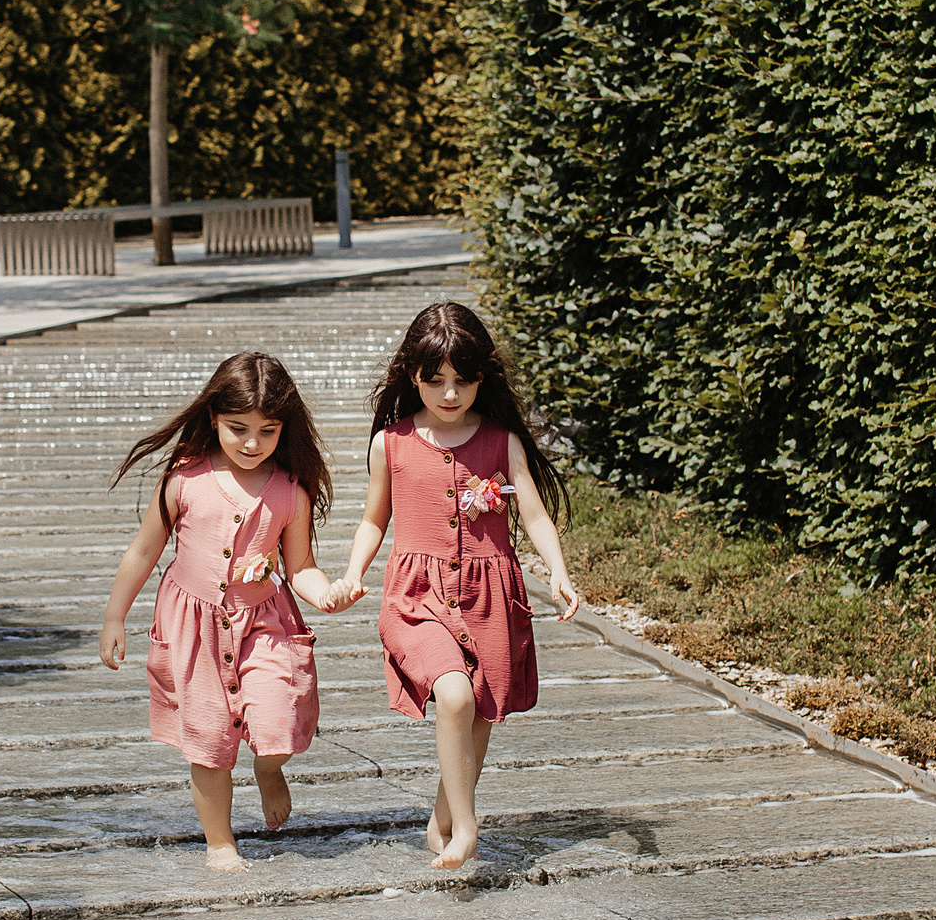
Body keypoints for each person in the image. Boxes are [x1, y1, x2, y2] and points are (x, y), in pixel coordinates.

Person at [336, 302, 579, 871]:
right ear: (411, 375)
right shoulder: (390, 443)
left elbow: (535, 517)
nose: (450, 395)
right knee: (454, 693)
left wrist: (559, 571)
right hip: (417, 596)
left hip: (491, 592)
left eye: (463, 382)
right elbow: (374, 519)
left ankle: (444, 820)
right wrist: (352, 574)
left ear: (481, 379)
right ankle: (468, 827)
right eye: (435, 381)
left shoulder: (502, 441)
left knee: (479, 713)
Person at [99, 351, 355, 871]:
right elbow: (143, 551)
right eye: (238, 429)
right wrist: (114, 617)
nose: (252, 443)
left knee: (278, 713)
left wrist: (325, 592)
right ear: (213, 417)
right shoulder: (184, 478)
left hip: (264, 623)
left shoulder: (289, 490)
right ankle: (221, 842)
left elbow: (300, 564)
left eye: (268, 431)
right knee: (209, 740)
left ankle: (269, 767)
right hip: (193, 628)